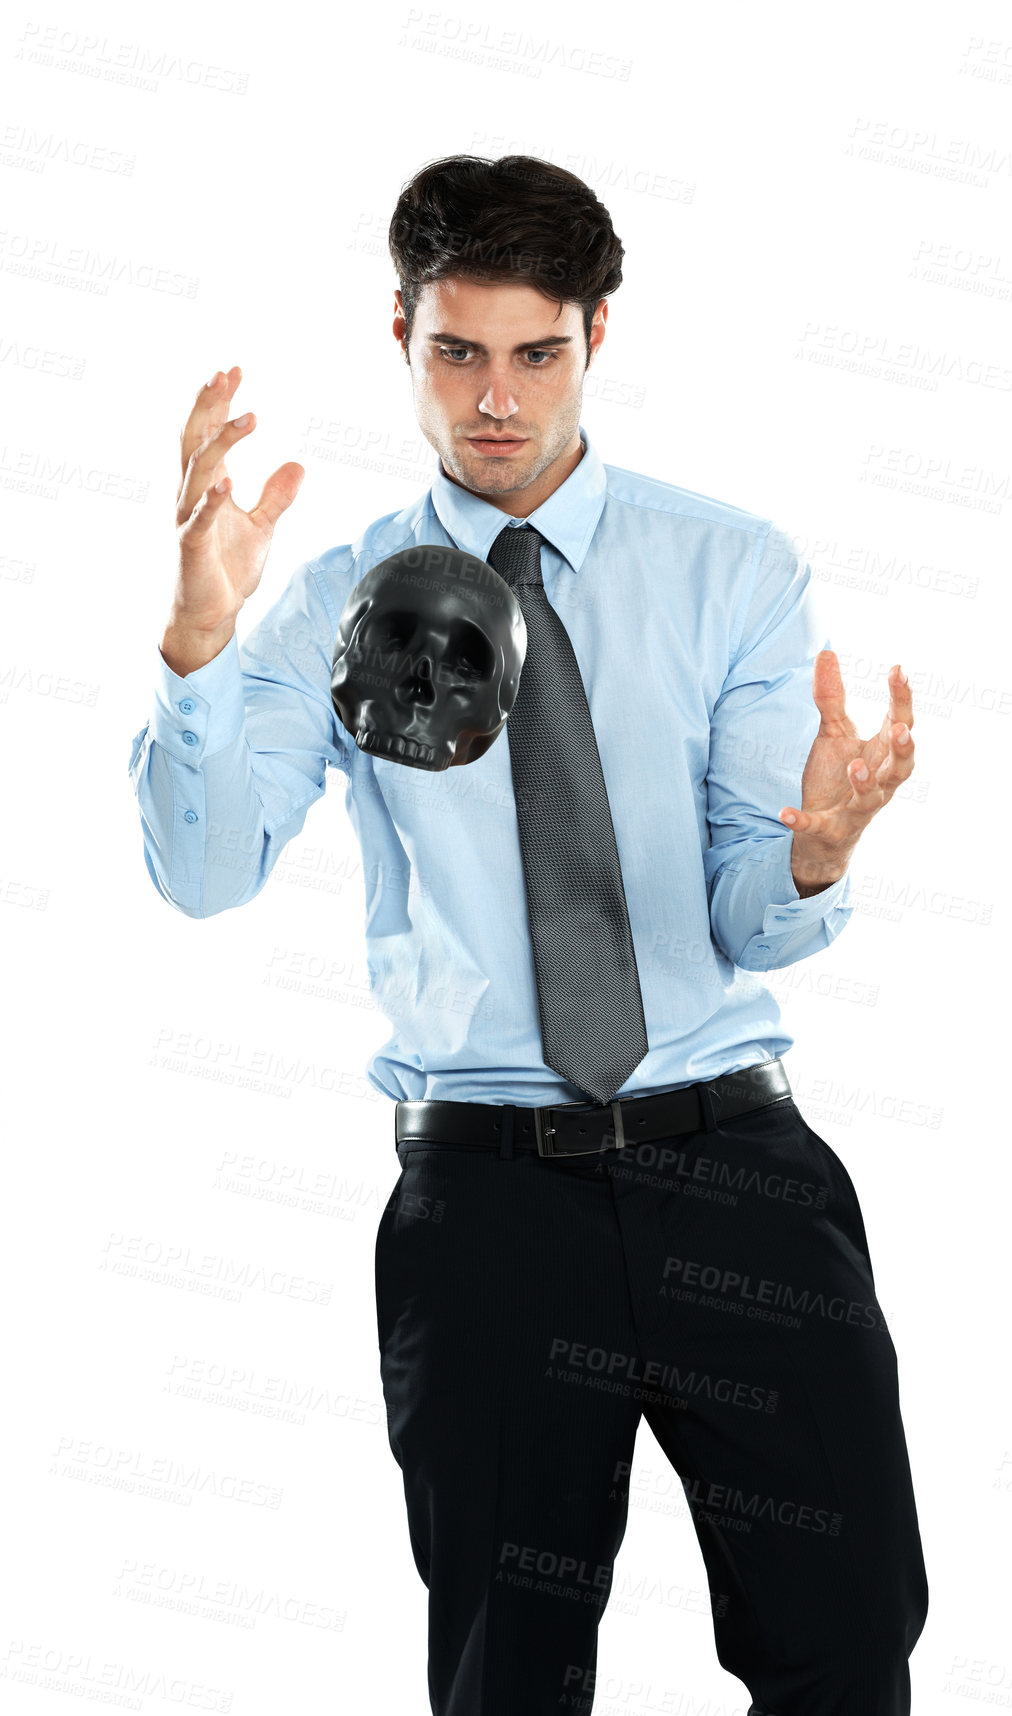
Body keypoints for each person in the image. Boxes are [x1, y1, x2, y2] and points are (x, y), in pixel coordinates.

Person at [128, 153, 928, 1715]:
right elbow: (204, 873)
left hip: (737, 1178)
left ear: (596, 338)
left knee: (844, 1639)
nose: (496, 399)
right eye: (458, 352)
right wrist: (197, 647)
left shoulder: (731, 570)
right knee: (508, 1672)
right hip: (487, 1208)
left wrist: (818, 852)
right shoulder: (333, 601)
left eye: (534, 353)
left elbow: (750, 922)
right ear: (407, 343)